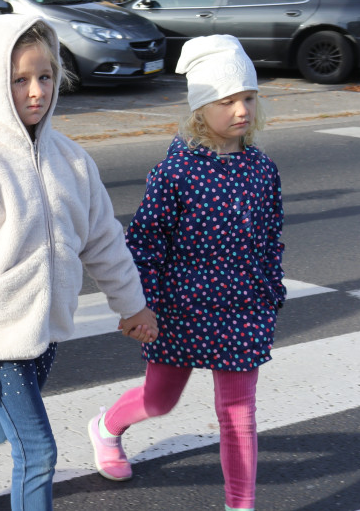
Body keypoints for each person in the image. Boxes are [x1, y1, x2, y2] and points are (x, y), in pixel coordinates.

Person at [0, 15, 158, 511]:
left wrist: (133, 304)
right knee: (37, 450)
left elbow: (104, 240)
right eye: (19, 80)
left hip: (44, 332)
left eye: (44, 77)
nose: (35, 91)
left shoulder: (71, 160)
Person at [87, 34, 284, 511]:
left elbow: (271, 237)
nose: (241, 109)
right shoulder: (175, 173)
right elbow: (146, 246)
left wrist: (270, 291)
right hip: (181, 311)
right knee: (160, 401)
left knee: (238, 416)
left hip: (241, 311)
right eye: (228, 100)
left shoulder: (262, 169)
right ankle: (107, 426)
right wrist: (142, 307)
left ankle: (241, 503)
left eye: (248, 98)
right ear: (200, 109)